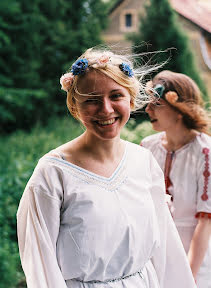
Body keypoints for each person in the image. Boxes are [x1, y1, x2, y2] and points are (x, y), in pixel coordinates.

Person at [17, 49, 196, 288]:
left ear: (131, 100)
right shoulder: (52, 175)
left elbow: (165, 248)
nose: (106, 109)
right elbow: (40, 265)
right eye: (91, 99)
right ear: (74, 106)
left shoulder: (143, 161)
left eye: (116, 96)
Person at [141, 70, 211, 287]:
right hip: (155, 255)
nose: (147, 109)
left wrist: (187, 277)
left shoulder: (205, 152)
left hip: (196, 259)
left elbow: (205, 223)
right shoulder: (146, 147)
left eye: (156, 104)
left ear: (179, 109)